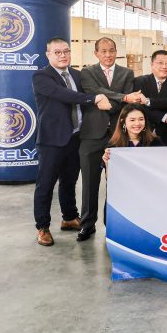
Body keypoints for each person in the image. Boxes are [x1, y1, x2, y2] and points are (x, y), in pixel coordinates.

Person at [31, 38, 111, 246]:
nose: (63, 55)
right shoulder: (41, 76)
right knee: (46, 184)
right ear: (48, 55)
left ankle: (69, 217)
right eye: (57, 52)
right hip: (52, 140)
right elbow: (64, 95)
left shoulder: (76, 75)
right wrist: (94, 98)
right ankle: (42, 227)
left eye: (66, 51)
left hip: (76, 137)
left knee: (69, 181)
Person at [78, 37, 139, 242]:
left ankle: (112, 225)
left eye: (111, 50)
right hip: (91, 135)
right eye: (103, 51)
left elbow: (125, 101)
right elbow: (95, 92)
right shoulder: (87, 73)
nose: (108, 54)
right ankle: (87, 225)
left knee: (117, 183)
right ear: (96, 53)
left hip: (117, 135)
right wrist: (122, 97)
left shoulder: (126, 73)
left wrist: (113, 101)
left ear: (116, 52)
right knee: (89, 182)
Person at [133, 50, 167, 146]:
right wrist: (164, 117)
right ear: (152, 64)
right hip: (143, 131)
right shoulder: (140, 81)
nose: (164, 66)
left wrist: (148, 101)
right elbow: (139, 108)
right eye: (160, 63)